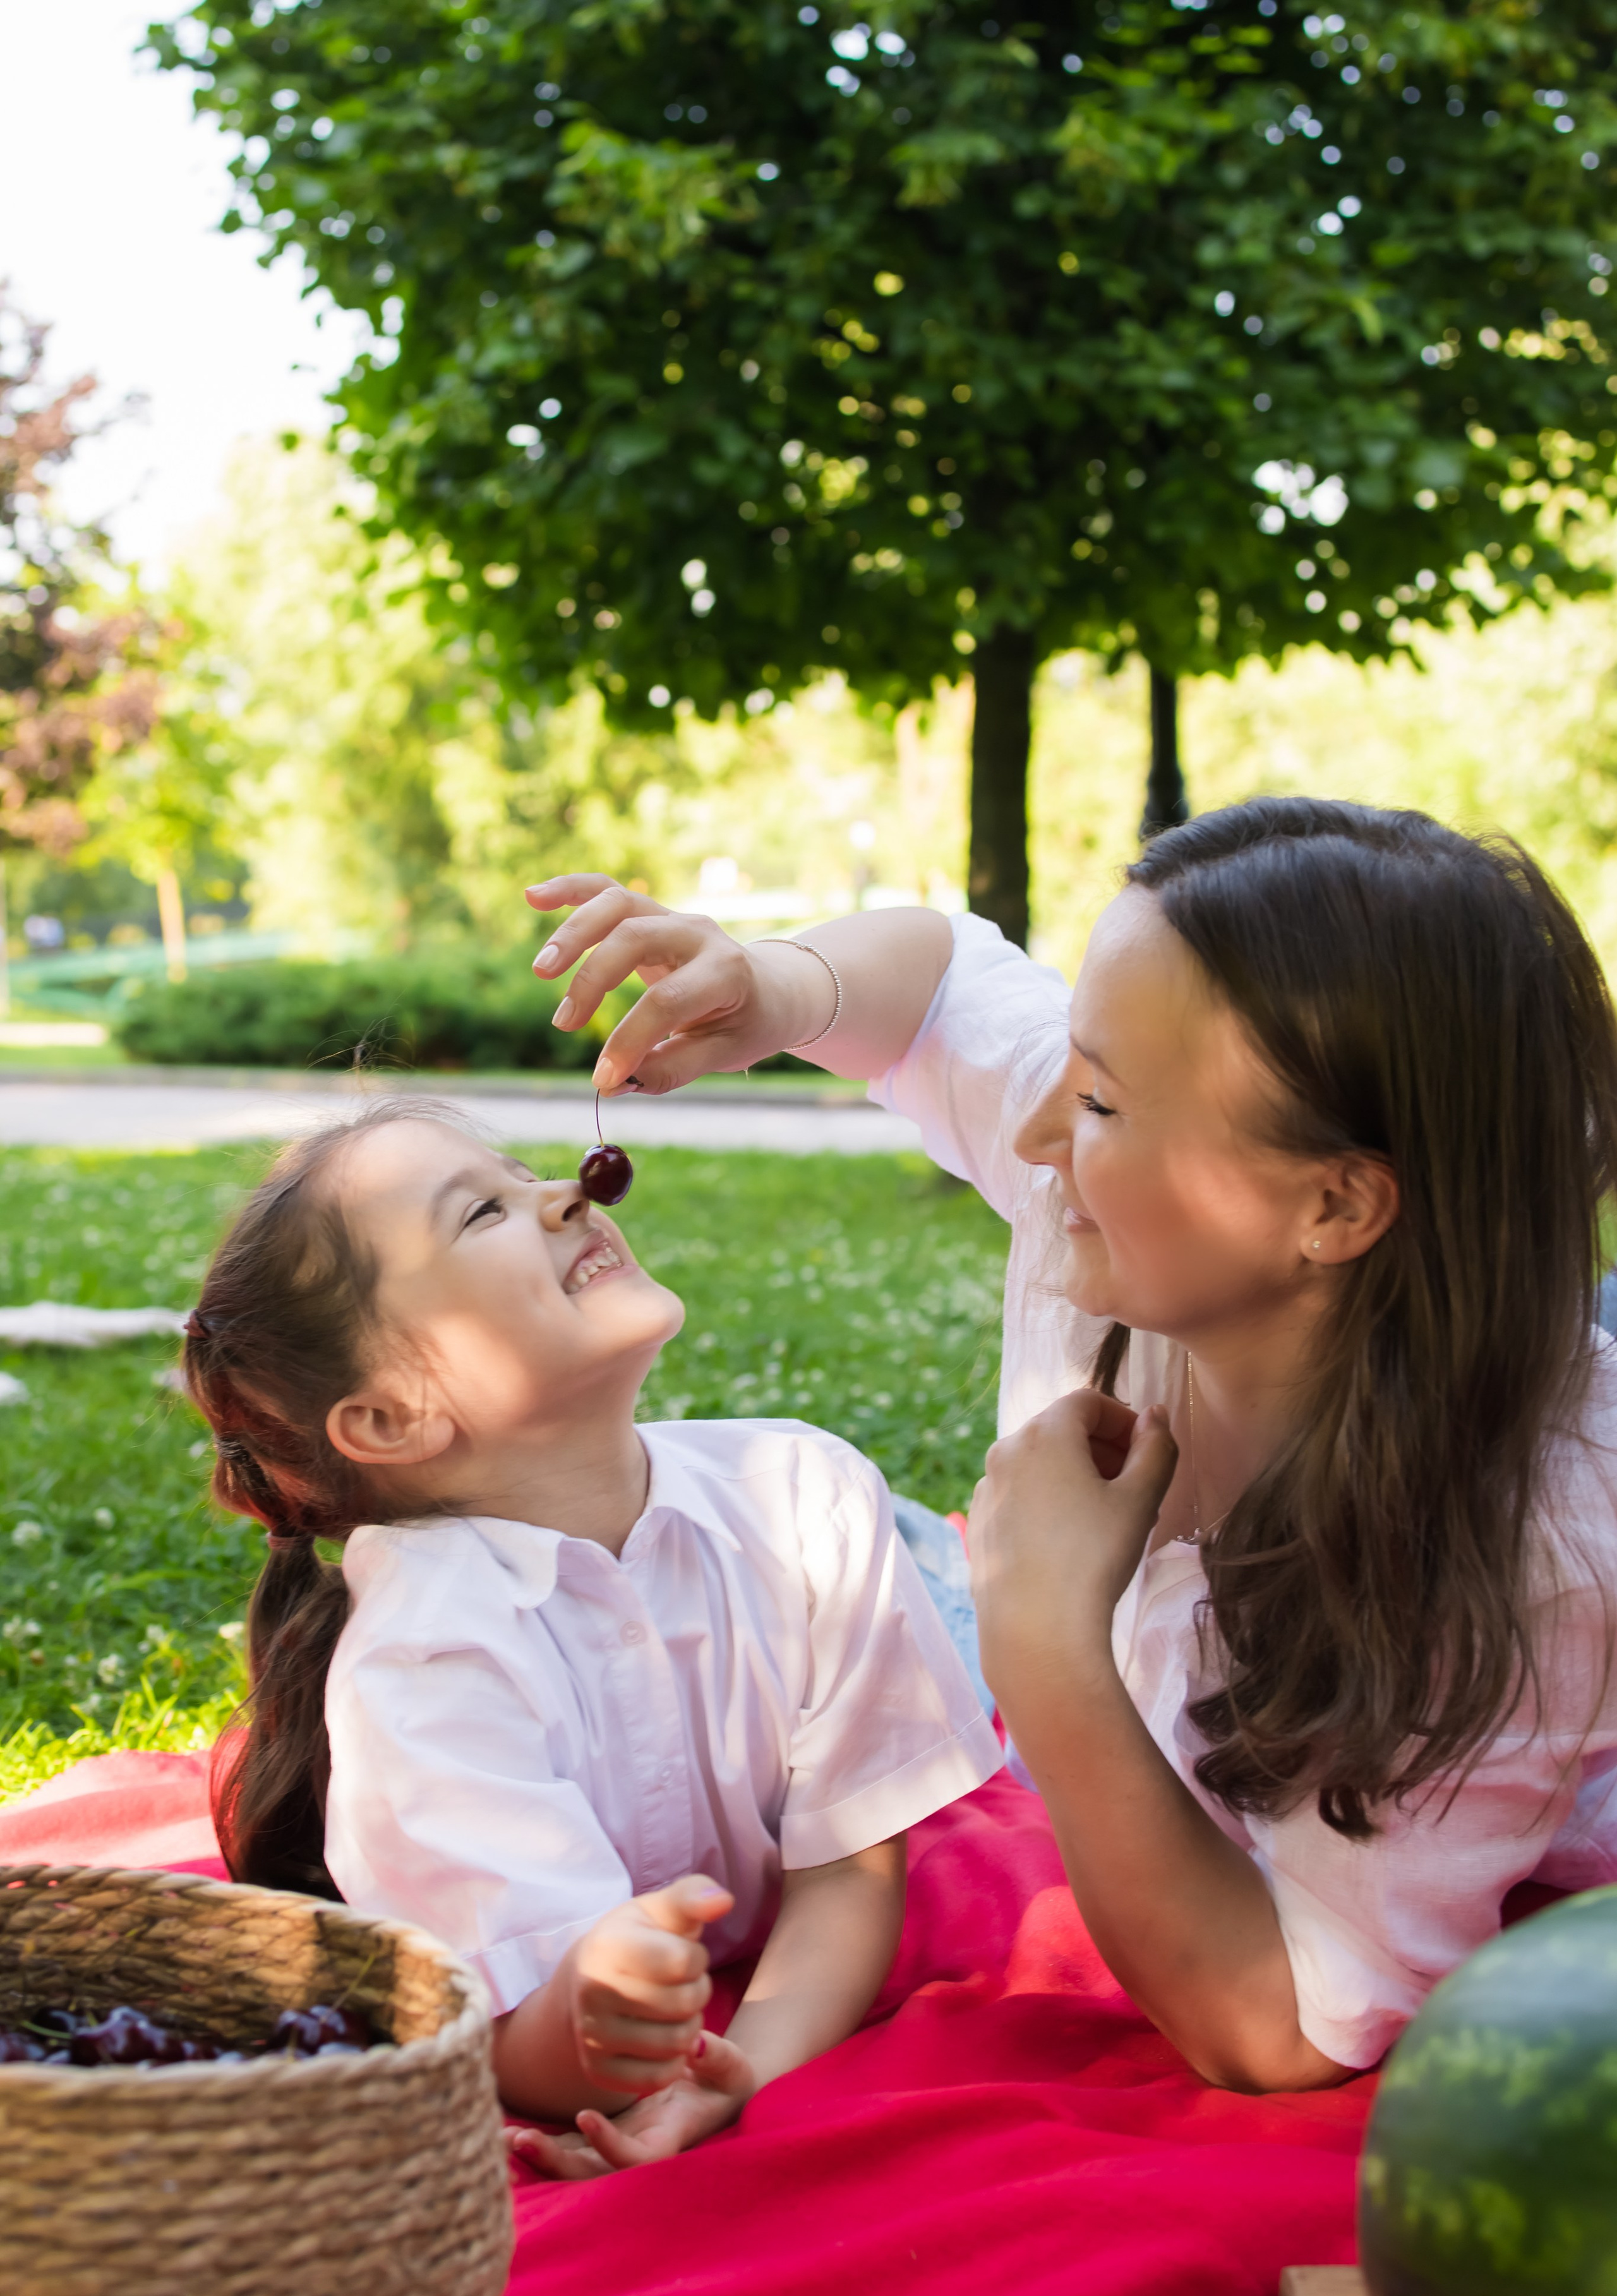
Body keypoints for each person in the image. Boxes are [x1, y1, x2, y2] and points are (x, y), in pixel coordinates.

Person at [527, 796, 1617, 2091]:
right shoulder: (1114, 1206)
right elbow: (937, 981)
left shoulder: (1532, 1553)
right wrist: (775, 985)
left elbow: (1280, 2020)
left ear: (1330, 1202)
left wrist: (1042, 1642)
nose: (1039, 1140)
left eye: (1095, 1100)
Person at [182, 1102, 1001, 2173]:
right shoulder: (426, 1663)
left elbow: (850, 1870)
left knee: (974, 1608)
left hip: (895, 1563)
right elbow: (518, 2041)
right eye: (483, 1211)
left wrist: (750, 2065)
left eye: (523, 1171)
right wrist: (590, 2011)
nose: (566, 1191)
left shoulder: (808, 1491)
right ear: (392, 1418)